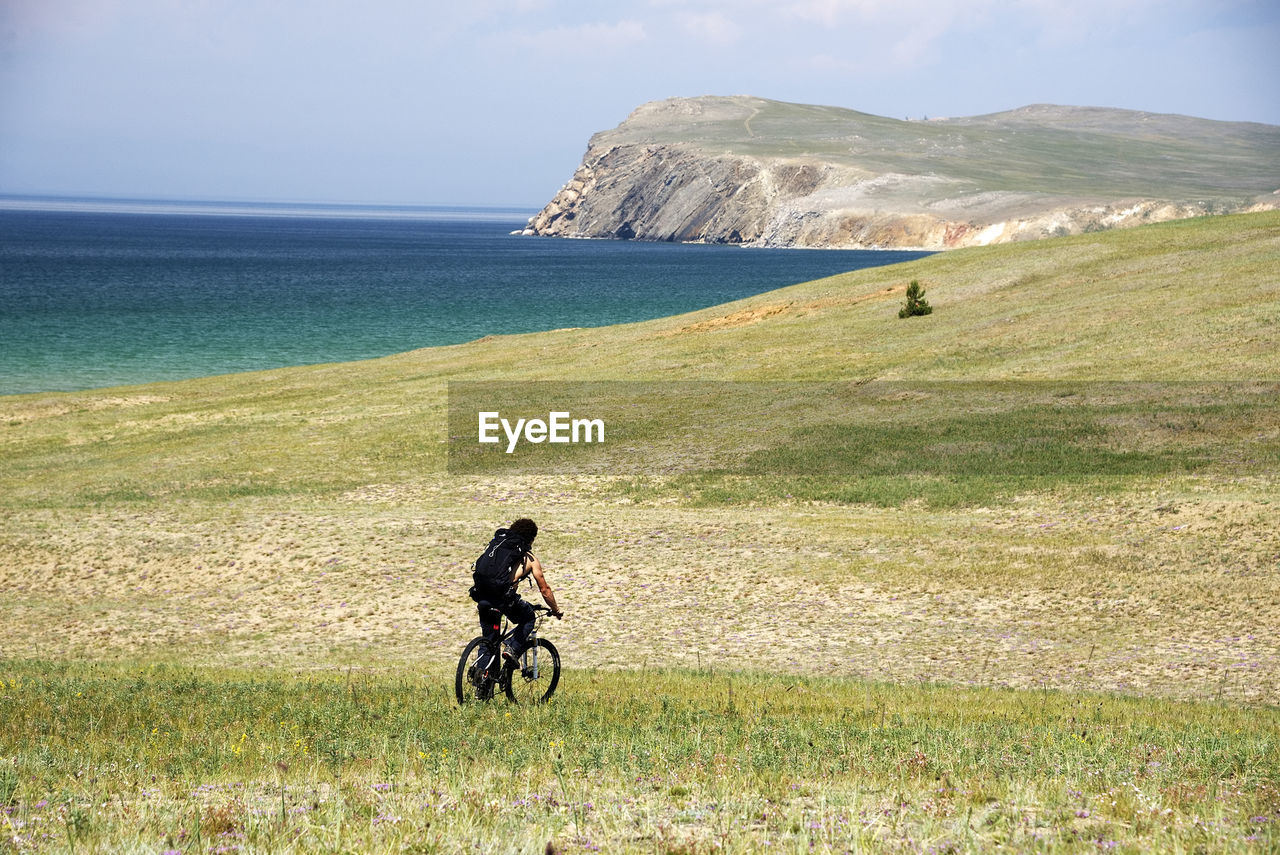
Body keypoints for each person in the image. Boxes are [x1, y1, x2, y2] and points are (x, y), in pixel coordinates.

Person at [470, 518, 562, 667]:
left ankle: (482, 679)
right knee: (529, 618)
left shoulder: (498, 548)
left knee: (489, 642)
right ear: (531, 539)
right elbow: (545, 590)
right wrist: (555, 610)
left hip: (483, 596)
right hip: (501, 599)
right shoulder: (529, 558)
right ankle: (512, 648)